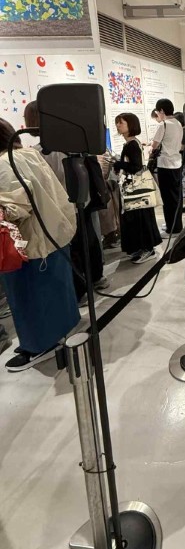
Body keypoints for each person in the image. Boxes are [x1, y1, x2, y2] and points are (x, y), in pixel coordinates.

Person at [0, 118, 79, 371]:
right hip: (53, 234)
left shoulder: (3, 164)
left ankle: (39, 346)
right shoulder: (28, 155)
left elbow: (16, 206)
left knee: (30, 296)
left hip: (30, 243)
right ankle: (56, 334)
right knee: (53, 291)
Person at [23, 99, 108, 301]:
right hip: (81, 202)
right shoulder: (71, 146)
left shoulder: (37, 153)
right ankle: (96, 278)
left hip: (62, 208)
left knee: (73, 248)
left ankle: (81, 291)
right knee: (88, 240)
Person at [114, 113, 161, 264]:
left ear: (131, 125)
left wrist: (118, 163)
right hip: (134, 187)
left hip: (137, 189)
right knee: (137, 217)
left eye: (121, 123)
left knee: (140, 218)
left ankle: (148, 249)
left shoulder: (132, 144)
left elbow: (135, 167)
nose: (118, 126)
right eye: (117, 123)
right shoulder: (131, 143)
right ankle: (142, 248)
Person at [152, 98, 183, 238]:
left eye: (157, 112)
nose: (157, 114)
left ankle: (172, 228)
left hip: (165, 164)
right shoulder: (177, 123)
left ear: (162, 110)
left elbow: (154, 146)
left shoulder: (163, 125)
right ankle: (176, 224)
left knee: (168, 198)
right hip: (176, 163)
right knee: (176, 196)